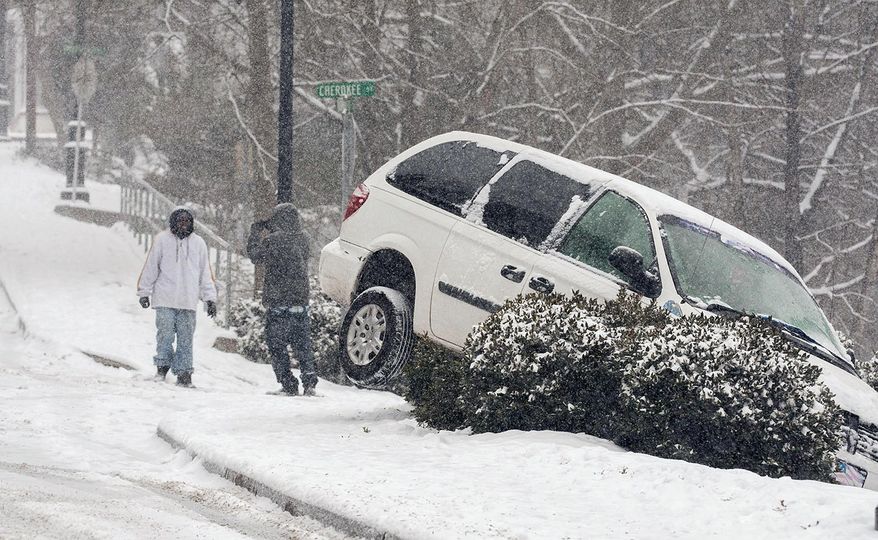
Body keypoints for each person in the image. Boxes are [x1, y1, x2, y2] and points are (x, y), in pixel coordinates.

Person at [137, 206, 217, 387]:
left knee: (185, 338)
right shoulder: (162, 240)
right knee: (164, 334)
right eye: (180, 221)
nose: (183, 225)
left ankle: (184, 373)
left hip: (188, 301)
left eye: (187, 221)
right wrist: (144, 291)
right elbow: (151, 267)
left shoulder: (199, 243)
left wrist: (210, 298)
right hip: (165, 297)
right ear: (173, 223)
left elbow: (205, 273)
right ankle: (162, 367)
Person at [247, 203, 317, 396]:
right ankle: (309, 381)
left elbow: (254, 255)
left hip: (278, 302)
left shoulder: (273, 241)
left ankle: (288, 383)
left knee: (277, 345)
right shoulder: (304, 239)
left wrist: (256, 232)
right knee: (303, 344)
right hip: (300, 300)